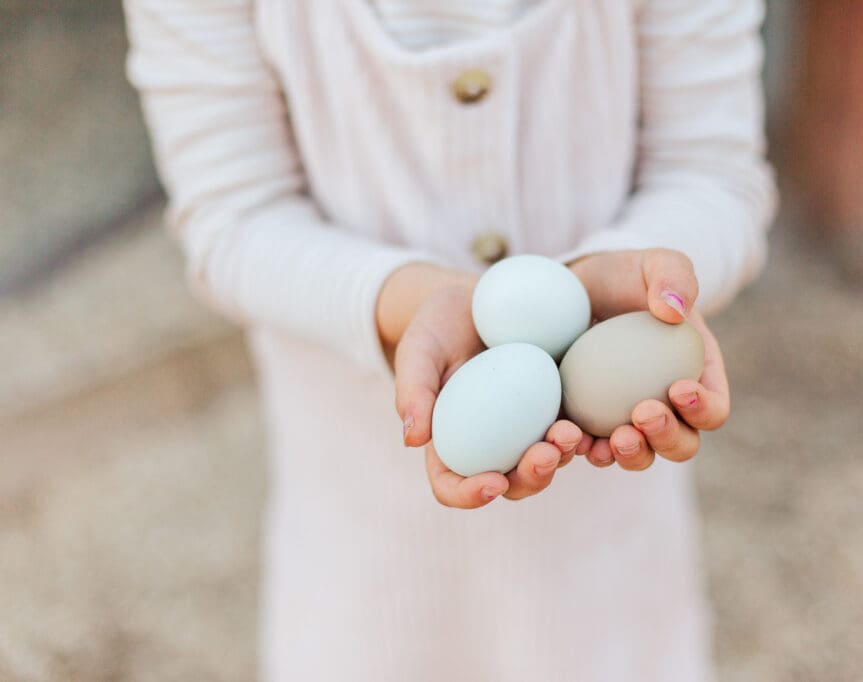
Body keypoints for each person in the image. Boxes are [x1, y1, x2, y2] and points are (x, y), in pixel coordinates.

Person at [124, 1, 776, 679]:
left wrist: (617, 282)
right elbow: (232, 219)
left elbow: (714, 174)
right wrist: (408, 298)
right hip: (360, 517)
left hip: (601, 537)